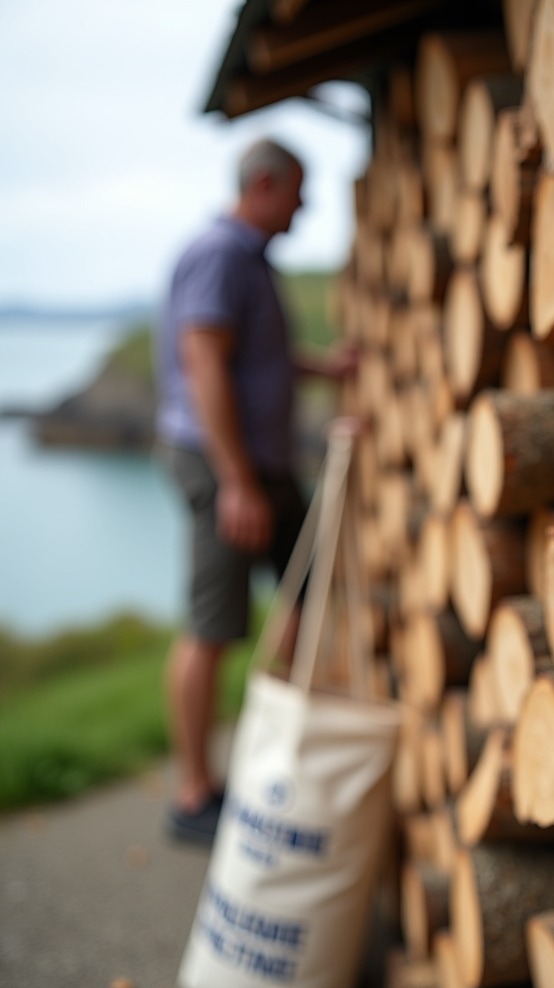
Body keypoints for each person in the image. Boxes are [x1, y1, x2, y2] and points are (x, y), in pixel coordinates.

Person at [155, 138, 315, 844]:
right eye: (298, 192)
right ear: (264, 184)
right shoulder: (220, 254)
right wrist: (237, 483)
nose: (305, 207)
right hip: (229, 469)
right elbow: (203, 366)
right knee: (213, 626)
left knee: (308, 592)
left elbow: (254, 359)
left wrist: (322, 366)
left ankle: (272, 749)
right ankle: (194, 795)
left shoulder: (249, 261)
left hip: (262, 467)